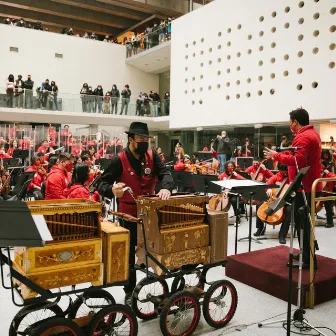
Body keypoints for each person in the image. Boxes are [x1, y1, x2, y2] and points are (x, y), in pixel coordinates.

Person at [96, 122, 174, 305]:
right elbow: (101, 184)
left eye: (147, 139)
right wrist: (111, 189)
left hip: (152, 212)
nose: (144, 142)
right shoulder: (118, 159)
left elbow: (166, 175)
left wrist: (166, 188)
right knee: (129, 254)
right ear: (131, 139)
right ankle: (129, 291)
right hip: (129, 214)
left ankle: (160, 281)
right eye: (141, 139)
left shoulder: (152, 155)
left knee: (158, 246)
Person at [264, 108, 323, 269]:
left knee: (302, 224)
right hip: (308, 184)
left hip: (303, 187)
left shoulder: (303, 137)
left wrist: (275, 155)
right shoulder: (313, 134)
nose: (290, 125)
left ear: (295, 122)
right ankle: (306, 254)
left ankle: (306, 260)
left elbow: (298, 162)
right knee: (303, 223)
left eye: (291, 122)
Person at [254, 164, 291, 244]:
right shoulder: (277, 176)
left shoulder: (292, 177)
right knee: (258, 205)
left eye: (284, 171)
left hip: (286, 200)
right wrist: (269, 189)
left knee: (289, 210)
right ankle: (260, 228)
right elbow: (268, 184)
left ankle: (282, 235)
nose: (283, 173)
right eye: (281, 171)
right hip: (274, 198)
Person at [321, 161, 335, 228]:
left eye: (322, 167)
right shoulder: (320, 173)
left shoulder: (330, 174)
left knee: (328, 205)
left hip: (329, 193)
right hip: (323, 192)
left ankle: (330, 222)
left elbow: (334, 177)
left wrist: (328, 173)